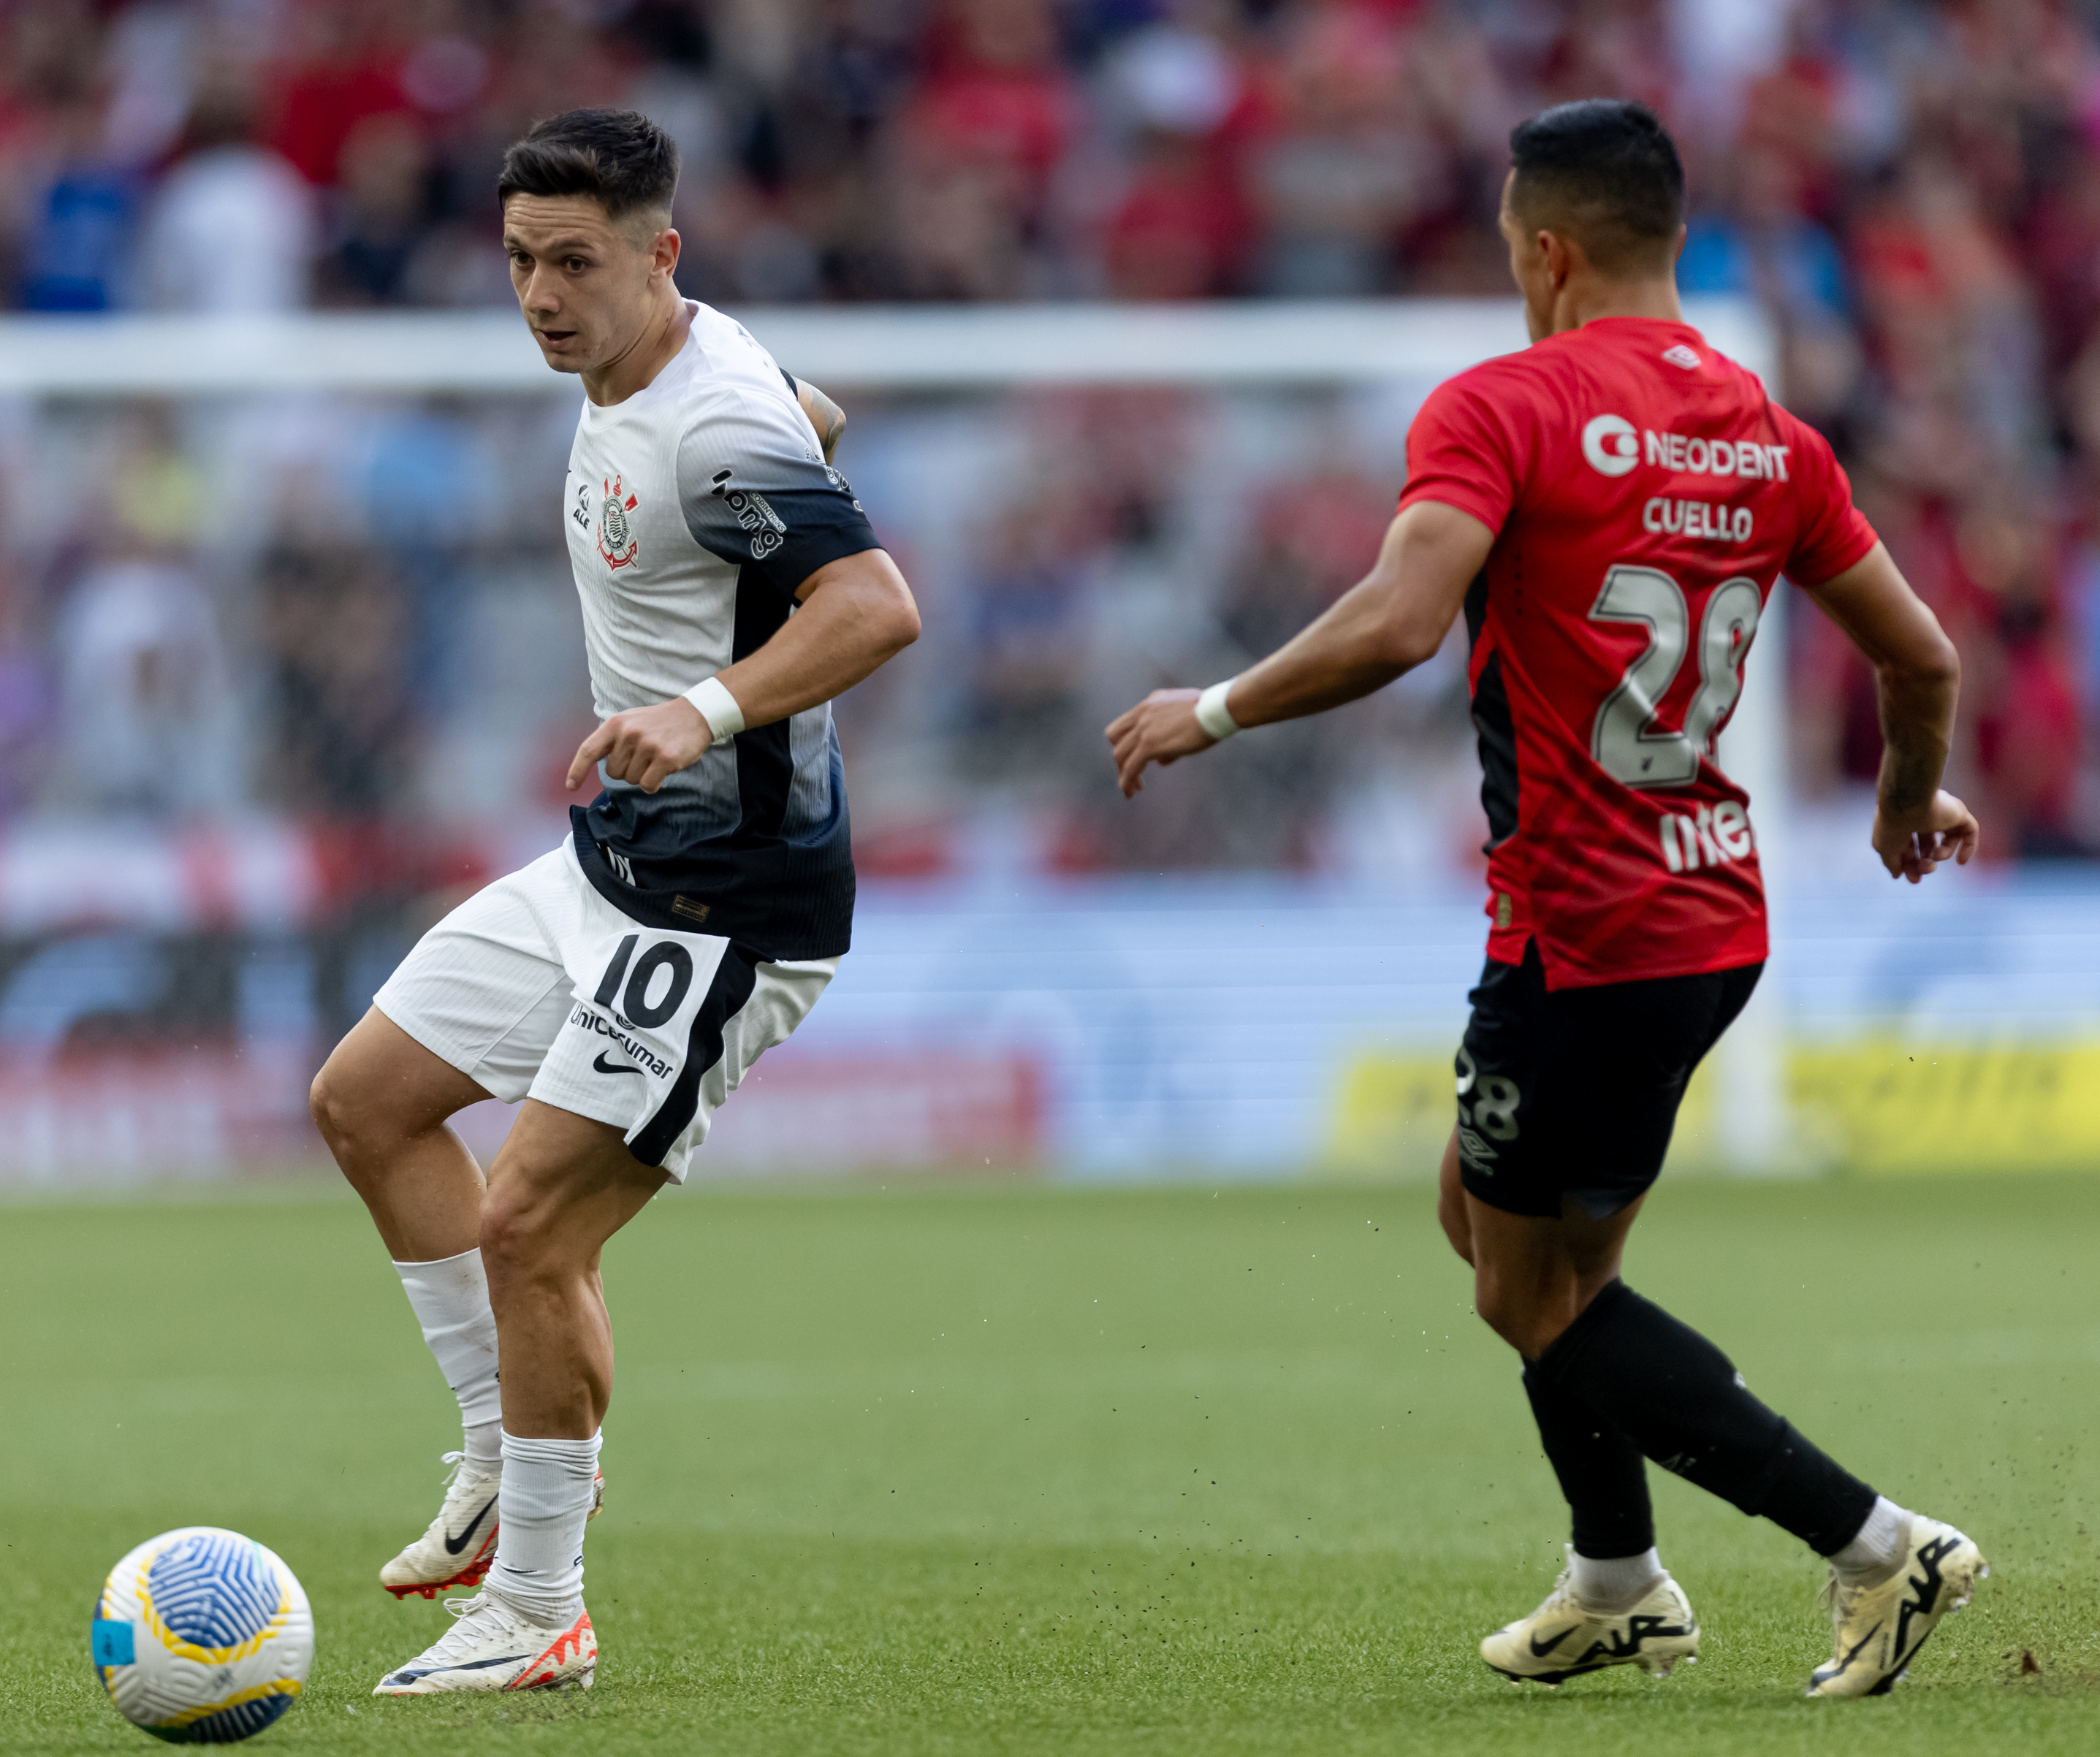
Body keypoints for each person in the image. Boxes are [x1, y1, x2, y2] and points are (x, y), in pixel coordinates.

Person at [1105, 99, 1985, 1699]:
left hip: (1580, 934)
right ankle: (1616, 1577)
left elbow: (1395, 624)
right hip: (1710, 919)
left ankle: (1876, 1545)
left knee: (1523, 1289)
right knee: (1513, 1242)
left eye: (1516, 249)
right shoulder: (1768, 436)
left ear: (1549, 249)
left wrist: (1212, 708)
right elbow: (1920, 655)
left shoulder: (1504, 406)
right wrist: (1908, 795)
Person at [308, 107, 919, 1696]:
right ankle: (498, 1451)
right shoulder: (676, 377)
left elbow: (878, 604)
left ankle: (539, 1607)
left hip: (730, 903)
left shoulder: (711, 419)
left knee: (530, 1223)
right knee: (367, 1101)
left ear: (662, 254)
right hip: (608, 866)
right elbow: (817, 418)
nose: (540, 296)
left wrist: (706, 711)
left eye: (574, 262)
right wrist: (800, 452)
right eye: (519, 261)